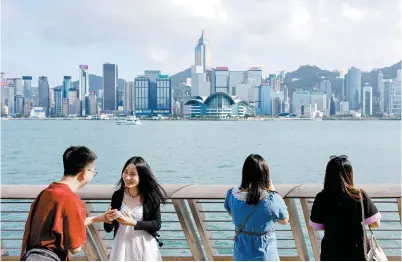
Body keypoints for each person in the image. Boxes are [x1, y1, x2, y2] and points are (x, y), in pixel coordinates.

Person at [20, 146, 116, 261]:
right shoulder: (71, 200)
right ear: (85, 173)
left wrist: (99, 218)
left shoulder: (45, 193)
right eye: (93, 171)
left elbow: (60, 225)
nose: (93, 175)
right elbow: (75, 248)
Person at [309, 155, 382, 261]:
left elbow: (317, 226)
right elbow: (376, 223)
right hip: (356, 251)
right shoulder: (359, 195)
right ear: (350, 174)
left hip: (330, 252)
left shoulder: (321, 197)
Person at [224, 154, 289, 261]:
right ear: (265, 176)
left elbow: (230, 213)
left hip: (241, 251)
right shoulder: (271, 198)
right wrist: (272, 190)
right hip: (265, 251)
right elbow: (284, 220)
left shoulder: (232, 194)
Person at [104, 156, 168, 261]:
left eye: (133, 174)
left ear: (142, 176)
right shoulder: (117, 195)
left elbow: (156, 224)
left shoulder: (151, 196)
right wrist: (108, 219)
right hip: (121, 247)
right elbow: (108, 229)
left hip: (145, 247)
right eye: (125, 172)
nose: (127, 177)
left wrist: (132, 222)